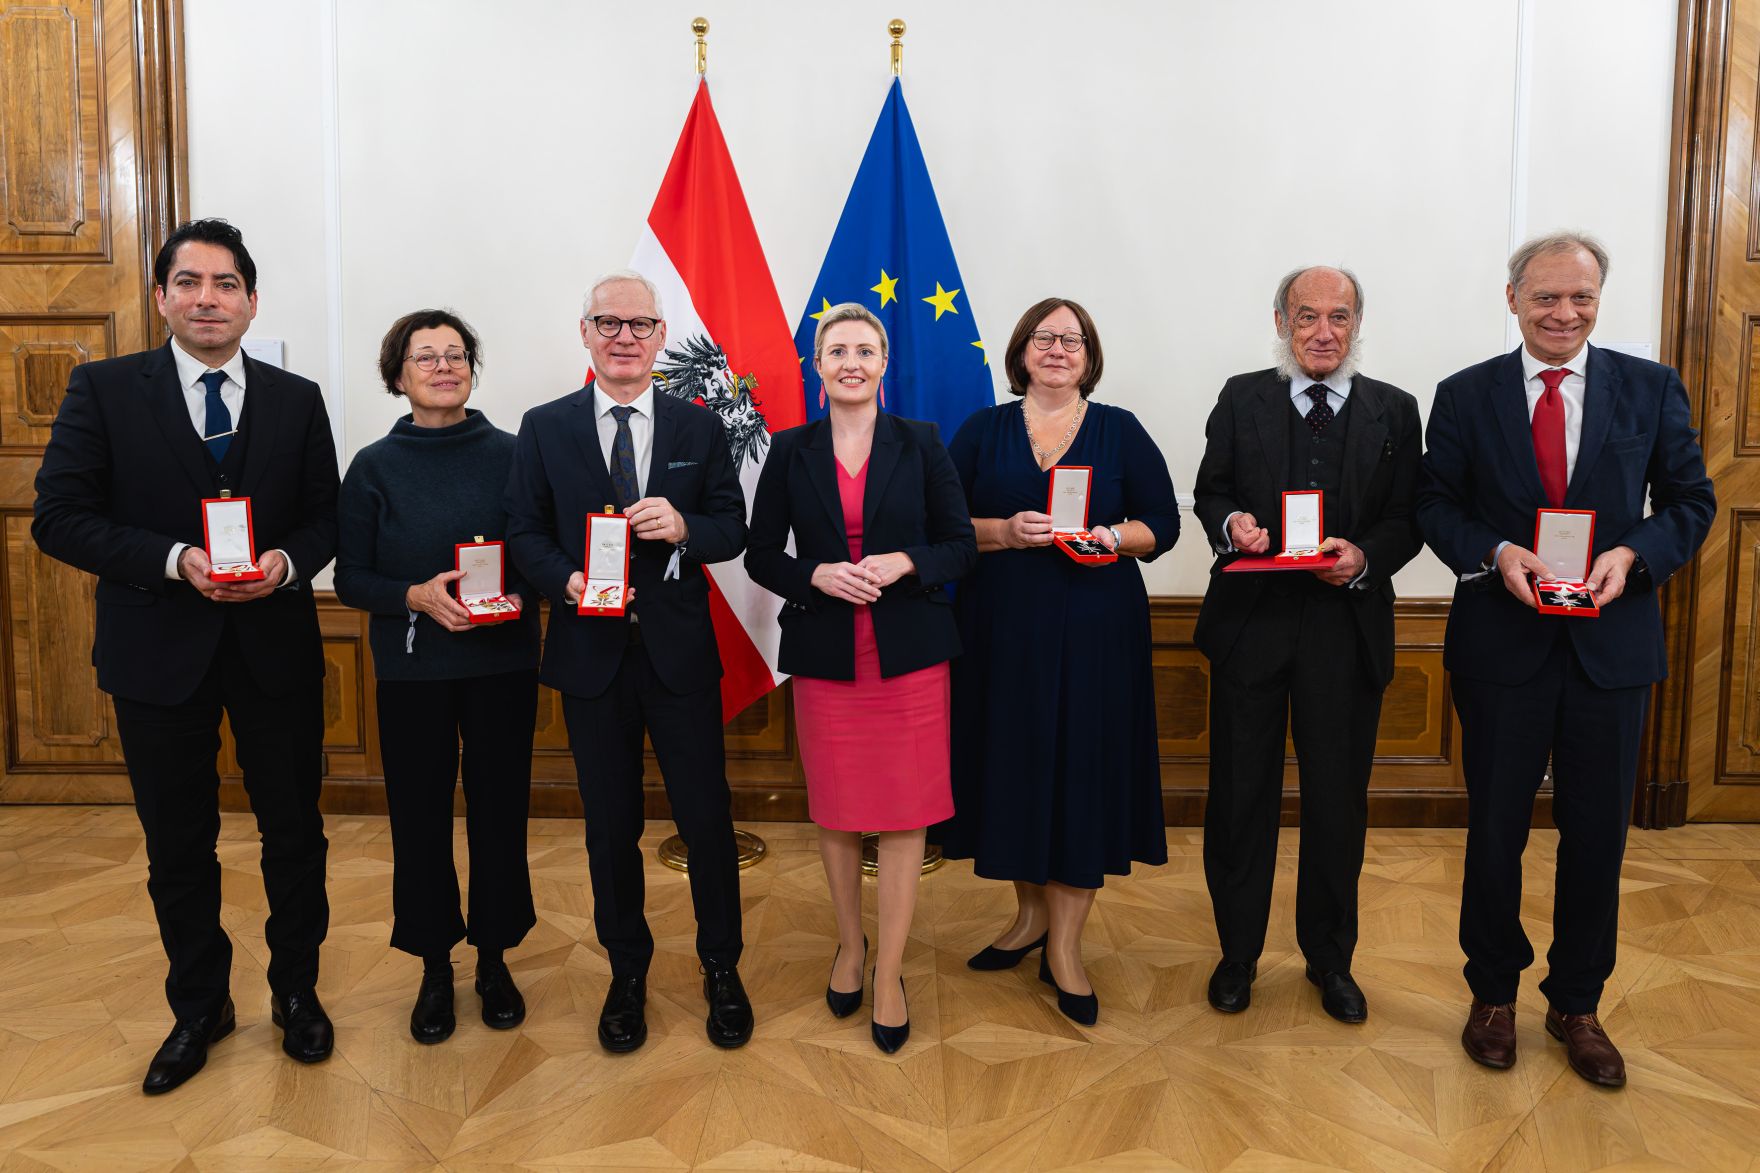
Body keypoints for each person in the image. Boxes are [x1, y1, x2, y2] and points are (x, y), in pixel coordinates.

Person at [31, 218, 339, 1093]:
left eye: (227, 284)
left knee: (295, 834)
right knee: (178, 843)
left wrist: (284, 563)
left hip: (275, 650)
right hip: (156, 654)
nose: (209, 298)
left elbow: (327, 515)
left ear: (251, 300)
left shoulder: (297, 397)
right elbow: (60, 516)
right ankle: (200, 1006)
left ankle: (297, 992)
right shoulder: (103, 390)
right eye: (191, 283)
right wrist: (175, 562)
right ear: (162, 296)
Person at [1417, 232, 1715, 1087]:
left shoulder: (1651, 388)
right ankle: (1493, 995)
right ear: (1511, 298)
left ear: (1598, 301)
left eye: (1580, 297)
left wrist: (1636, 557)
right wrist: (1499, 551)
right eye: (1546, 297)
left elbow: (1690, 500)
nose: (1564, 313)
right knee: (1496, 832)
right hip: (1501, 648)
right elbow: (1436, 504)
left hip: (1609, 652)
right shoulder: (1466, 395)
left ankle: (1578, 1002)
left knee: (1596, 838)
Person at [504, 269, 752, 1053]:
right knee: (610, 828)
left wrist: (684, 524)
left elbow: (732, 527)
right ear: (585, 333)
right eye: (607, 323)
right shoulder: (545, 427)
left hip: (679, 658)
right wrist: (565, 580)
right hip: (591, 656)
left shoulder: (698, 428)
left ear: (658, 337)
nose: (623, 337)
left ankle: (722, 967)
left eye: (639, 325)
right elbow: (523, 532)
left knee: (706, 820)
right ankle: (627, 971)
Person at [933, 297, 1179, 1025]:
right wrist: (1004, 530)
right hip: (999, 636)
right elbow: (943, 528)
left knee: (1080, 777)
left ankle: (1066, 948)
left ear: (1089, 355)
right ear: (1022, 351)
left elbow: (1161, 524)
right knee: (1014, 774)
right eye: (1045, 337)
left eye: (1072, 339)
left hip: (1097, 635)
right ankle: (1028, 919)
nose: (1058, 349)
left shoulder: (1120, 430)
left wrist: (1112, 534)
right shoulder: (982, 429)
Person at [1191, 266, 1424, 1023]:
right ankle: (1237, 954)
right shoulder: (1241, 396)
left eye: (1339, 317)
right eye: (1307, 317)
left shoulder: (1395, 409)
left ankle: (1331, 959)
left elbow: (1407, 518)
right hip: (1252, 625)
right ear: (1281, 321)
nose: (1324, 332)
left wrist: (1363, 556)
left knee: (1336, 805)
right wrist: (1234, 528)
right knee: (1239, 798)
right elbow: (1211, 491)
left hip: (1344, 630)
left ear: (1358, 324)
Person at [745, 304, 975, 1053]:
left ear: (885, 364)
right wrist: (814, 573)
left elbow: (960, 545)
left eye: (865, 349)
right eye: (836, 349)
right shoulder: (790, 449)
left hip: (907, 655)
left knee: (906, 813)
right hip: (828, 656)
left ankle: (890, 971)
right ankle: (851, 946)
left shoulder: (923, 443)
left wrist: (906, 561)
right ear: (818, 366)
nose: (851, 360)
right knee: (840, 811)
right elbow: (760, 556)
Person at [334, 309, 541, 1044]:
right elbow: (351, 575)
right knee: (419, 820)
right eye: (426, 357)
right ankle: (432, 965)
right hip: (414, 669)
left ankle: (492, 957)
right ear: (399, 375)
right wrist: (412, 595)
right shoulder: (373, 468)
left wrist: (528, 592)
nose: (444, 366)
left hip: (502, 664)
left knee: (499, 813)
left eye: (457, 354)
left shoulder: (517, 454)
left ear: (472, 370)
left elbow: (540, 552)